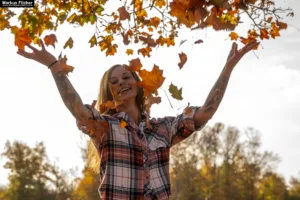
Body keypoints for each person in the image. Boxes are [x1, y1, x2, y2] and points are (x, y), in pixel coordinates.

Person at [17, 39, 259, 200]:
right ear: (108, 92)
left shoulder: (163, 129)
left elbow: (205, 111)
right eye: (114, 82)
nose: (121, 83)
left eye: (126, 77)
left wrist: (227, 69)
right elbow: (79, 110)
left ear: (137, 83)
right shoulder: (105, 127)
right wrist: (53, 65)